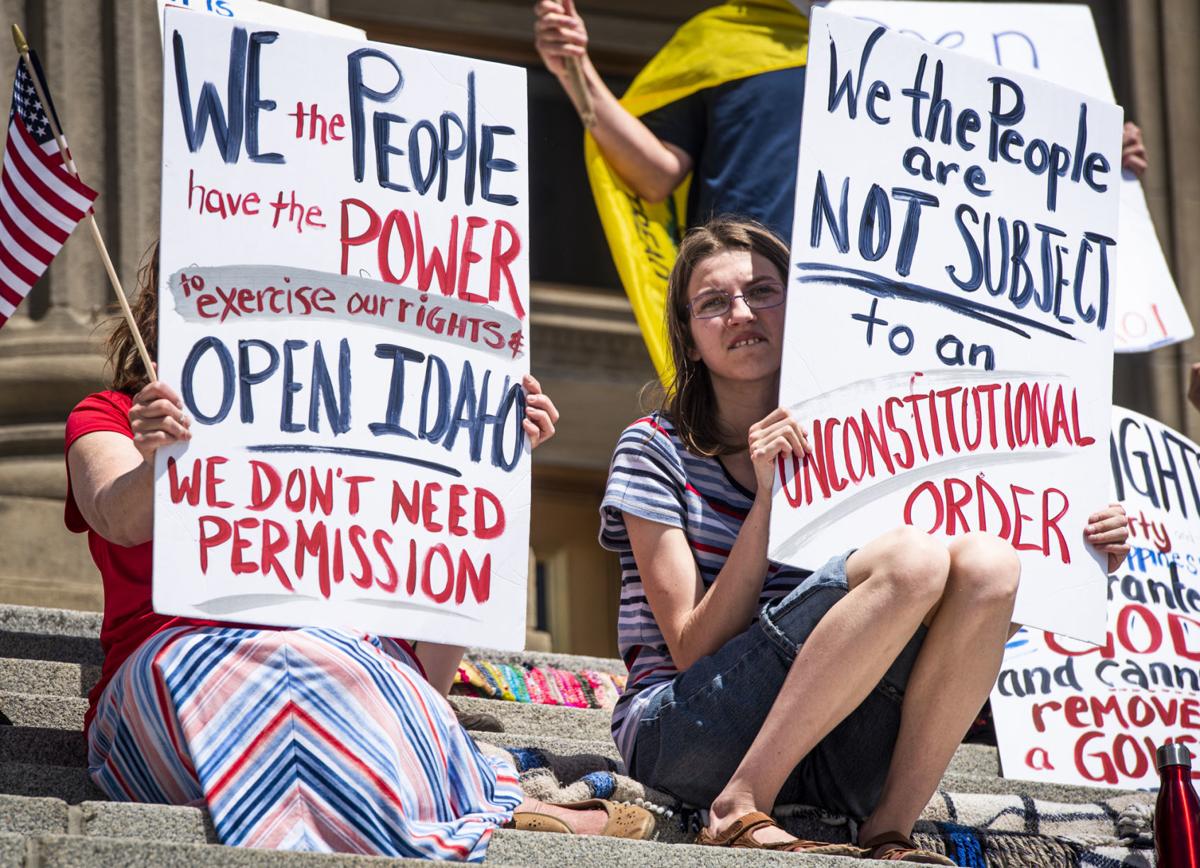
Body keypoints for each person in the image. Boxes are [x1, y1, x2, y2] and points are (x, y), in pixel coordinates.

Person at [66, 248, 653, 859]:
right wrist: (164, 455)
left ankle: (429, 797)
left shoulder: (364, 438)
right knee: (292, 655)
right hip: (176, 674)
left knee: (333, 660)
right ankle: (466, 806)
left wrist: (485, 467)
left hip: (356, 678)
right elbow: (116, 515)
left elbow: (427, 674)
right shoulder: (108, 415)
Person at [598, 217, 1130, 861]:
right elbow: (692, 645)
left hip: (834, 752)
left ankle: (889, 830)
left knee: (990, 564)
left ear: (804, 305)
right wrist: (771, 499)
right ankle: (738, 805)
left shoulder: (872, 432)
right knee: (910, 559)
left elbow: (971, 604)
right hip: (688, 734)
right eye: (713, 302)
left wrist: (1075, 546)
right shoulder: (654, 449)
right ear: (687, 331)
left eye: (763, 291)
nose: (740, 313)